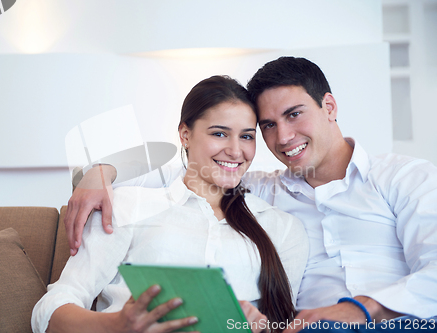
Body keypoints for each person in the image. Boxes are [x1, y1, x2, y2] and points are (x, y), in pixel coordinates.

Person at [64, 57, 437, 331]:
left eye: (294, 114)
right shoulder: (258, 189)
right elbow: (187, 170)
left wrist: (362, 309)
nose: (284, 137)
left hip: (405, 322)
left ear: (329, 106)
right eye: (268, 126)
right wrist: (101, 171)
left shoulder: (404, 178)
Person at [33, 75, 309, 333]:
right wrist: (116, 325)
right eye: (219, 134)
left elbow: (285, 324)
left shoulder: (282, 227)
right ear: (185, 135)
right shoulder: (128, 207)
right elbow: (50, 309)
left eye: (247, 136)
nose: (236, 151)